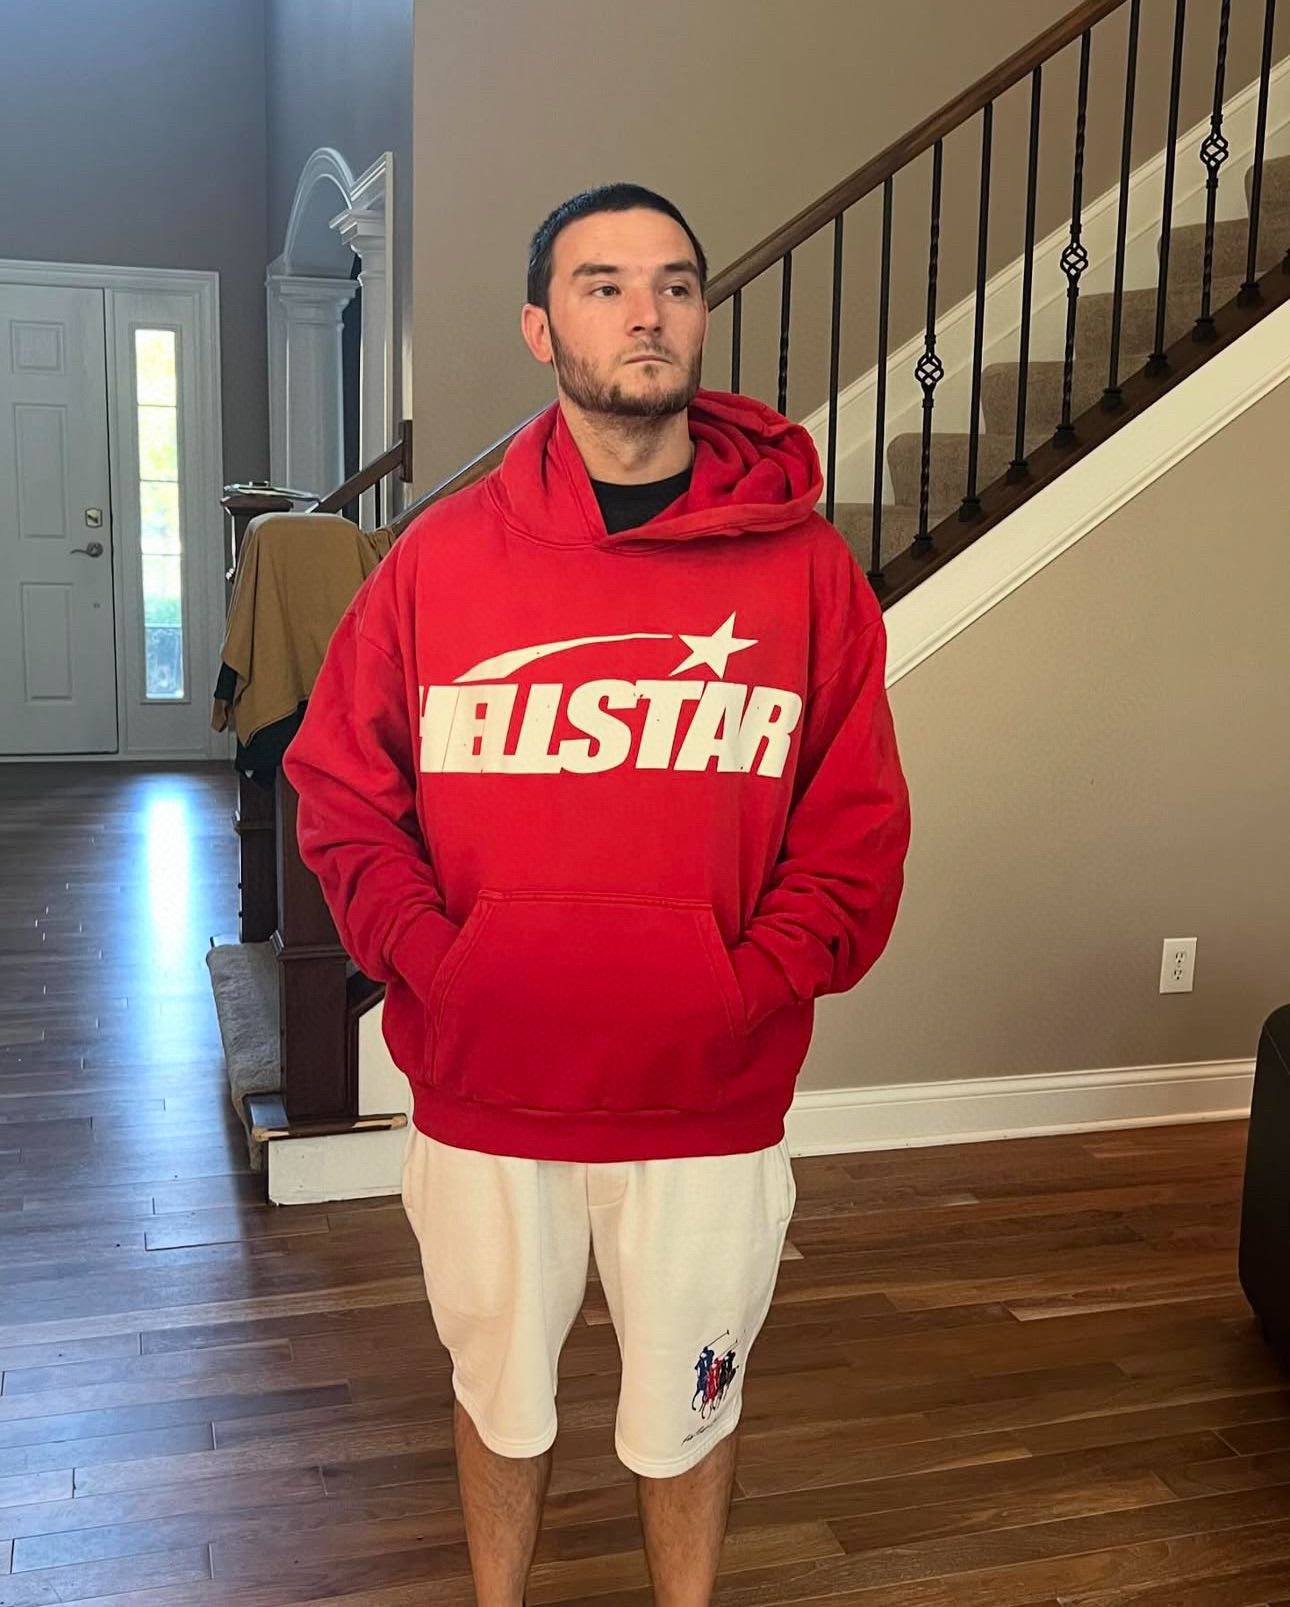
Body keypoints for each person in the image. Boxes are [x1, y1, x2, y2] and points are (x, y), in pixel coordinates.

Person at [283, 183, 912, 1607]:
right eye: (603, 283)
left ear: (702, 316)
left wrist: (746, 985)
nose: (647, 313)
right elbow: (340, 788)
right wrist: (433, 960)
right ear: (539, 327)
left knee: (687, 1416)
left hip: (708, 1096)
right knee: (499, 1402)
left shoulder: (805, 569)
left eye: (676, 284)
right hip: (487, 1087)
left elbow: (856, 831)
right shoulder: (441, 557)